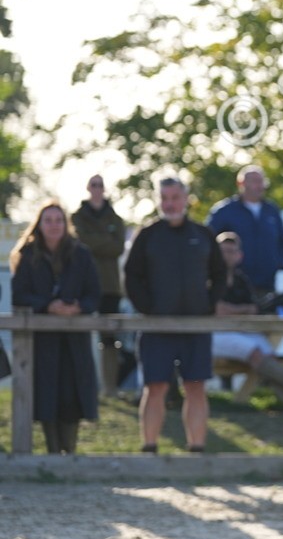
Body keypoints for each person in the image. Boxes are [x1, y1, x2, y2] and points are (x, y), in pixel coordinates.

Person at [124, 177, 225, 454]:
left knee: (196, 387)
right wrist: (148, 309)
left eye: (175, 198)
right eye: (165, 198)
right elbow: (131, 276)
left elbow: (220, 274)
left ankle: (197, 451)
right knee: (155, 387)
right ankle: (149, 448)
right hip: (157, 327)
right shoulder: (148, 235)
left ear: (186, 199)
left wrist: (208, 305)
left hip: (195, 326)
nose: (170, 204)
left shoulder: (203, 234)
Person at [10, 201, 102, 454]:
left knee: (72, 396)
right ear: (39, 225)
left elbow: (94, 294)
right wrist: (47, 305)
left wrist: (78, 307)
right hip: (43, 342)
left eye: (58, 220)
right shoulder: (28, 255)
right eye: (48, 220)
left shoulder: (81, 254)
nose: (54, 225)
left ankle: (69, 455)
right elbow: (19, 295)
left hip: (74, 342)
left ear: (66, 224)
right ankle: (53, 454)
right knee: (47, 396)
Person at [212, 232, 283, 409]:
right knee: (254, 351)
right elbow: (218, 311)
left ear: (239, 255)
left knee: (268, 352)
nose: (227, 256)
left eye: (231, 251)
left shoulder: (241, 280)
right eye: (223, 251)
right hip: (213, 334)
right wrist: (242, 310)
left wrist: (235, 310)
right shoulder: (207, 278)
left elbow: (254, 309)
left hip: (240, 331)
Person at [70, 174, 131, 397]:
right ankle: (81, 388)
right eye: (93, 185)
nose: (97, 189)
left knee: (109, 337)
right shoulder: (76, 217)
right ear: (88, 188)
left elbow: (118, 248)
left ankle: (109, 388)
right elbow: (79, 243)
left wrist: (92, 239)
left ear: (104, 189)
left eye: (100, 185)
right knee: (78, 335)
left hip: (109, 285)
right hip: (81, 284)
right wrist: (105, 239)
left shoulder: (116, 218)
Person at [206, 165, 283, 295]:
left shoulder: (271, 211)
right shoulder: (224, 211)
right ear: (241, 183)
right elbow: (208, 240)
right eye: (255, 181)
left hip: (267, 284)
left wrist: (278, 264)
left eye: (261, 181)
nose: (259, 186)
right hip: (233, 287)